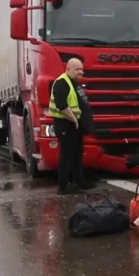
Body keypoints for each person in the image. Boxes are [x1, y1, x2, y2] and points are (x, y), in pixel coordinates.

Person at [49, 58, 95, 195]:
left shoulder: (73, 83)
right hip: (65, 124)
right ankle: (64, 186)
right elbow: (61, 104)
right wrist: (73, 119)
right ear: (68, 69)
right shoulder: (62, 83)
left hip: (73, 125)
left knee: (77, 153)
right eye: (77, 69)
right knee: (67, 155)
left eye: (81, 69)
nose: (80, 72)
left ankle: (79, 181)